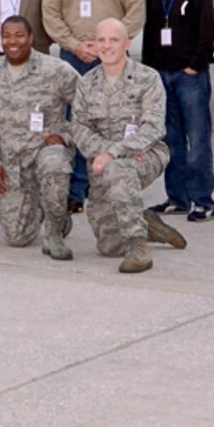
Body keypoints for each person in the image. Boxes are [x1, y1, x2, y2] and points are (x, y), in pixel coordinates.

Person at [41, 0, 145, 211]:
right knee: (74, 123)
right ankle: (75, 190)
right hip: (73, 58)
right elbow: (51, 11)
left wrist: (110, 46)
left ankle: (110, 187)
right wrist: (74, 44)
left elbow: (136, 12)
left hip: (110, 60)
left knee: (111, 122)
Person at [71, 19, 182, 273]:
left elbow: (154, 127)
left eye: (114, 40)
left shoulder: (147, 78)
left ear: (127, 43)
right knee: (109, 246)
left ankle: (138, 246)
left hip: (146, 154)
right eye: (101, 40)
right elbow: (79, 127)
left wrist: (115, 153)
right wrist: (106, 153)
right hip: (102, 159)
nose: (107, 46)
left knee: (118, 170)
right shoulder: (86, 83)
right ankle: (147, 223)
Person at [0, 15, 77, 258]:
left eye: (19, 35)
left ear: (30, 38)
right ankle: (50, 213)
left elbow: (88, 109)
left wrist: (65, 136)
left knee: (53, 163)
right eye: (7, 35)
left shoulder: (56, 70)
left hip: (46, 153)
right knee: (16, 237)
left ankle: (53, 232)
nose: (13, 41)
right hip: (14, 165)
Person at [141, 0, 214, 221]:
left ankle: (203, 200)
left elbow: (208, 30)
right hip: (161, 75)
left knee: (197, 138)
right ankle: (177, 197)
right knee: (170, 140)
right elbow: (149, 32)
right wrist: (149, 71)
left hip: (189, 76)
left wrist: (195, 65)